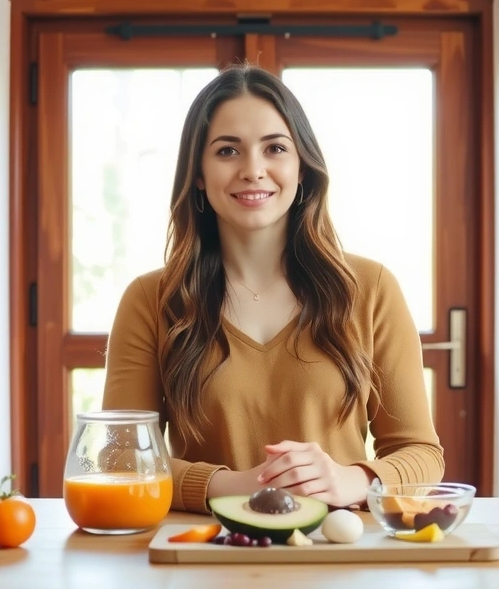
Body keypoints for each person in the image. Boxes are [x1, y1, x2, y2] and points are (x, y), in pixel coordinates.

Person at [102, 64, 444, 514]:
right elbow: (121, 456)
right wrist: (234, 485)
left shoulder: (371, 289)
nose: (253, 170)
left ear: (301, 167)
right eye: (227, 151)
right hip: (203, 556)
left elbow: (422, 454)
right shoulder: (150, 300)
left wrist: (352, 480)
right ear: (199, 173)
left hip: (340, 557)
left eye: (275, 148)